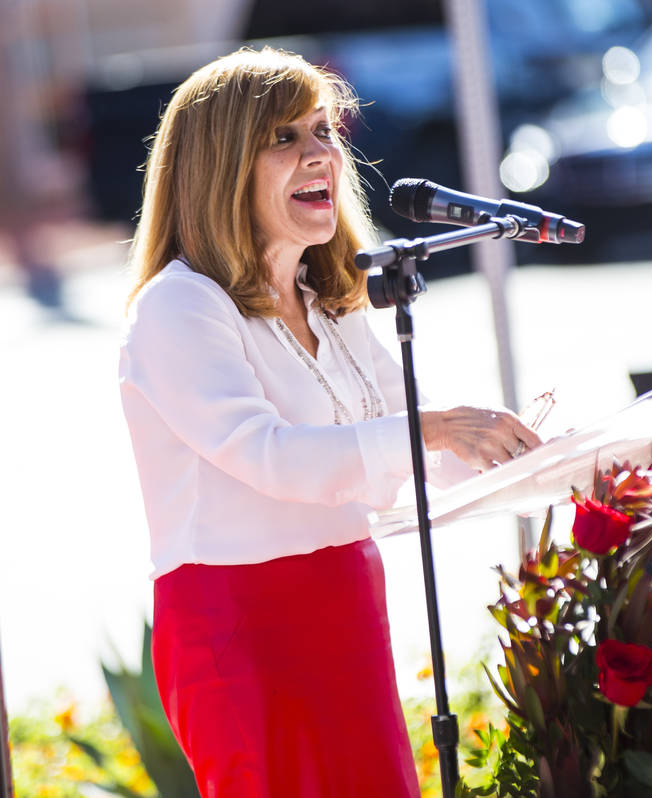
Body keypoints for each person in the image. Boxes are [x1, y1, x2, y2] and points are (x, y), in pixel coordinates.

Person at [118, 46, 541, 797]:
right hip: (240, 626)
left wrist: (532, 455)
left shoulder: (332, 303)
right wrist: (439, 429)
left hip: (345, 602)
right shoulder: (179, 306)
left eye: (324, 132)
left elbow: (407, 450)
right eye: (285, 137)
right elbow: (272, 458)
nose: (321, 155)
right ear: (220, 165)